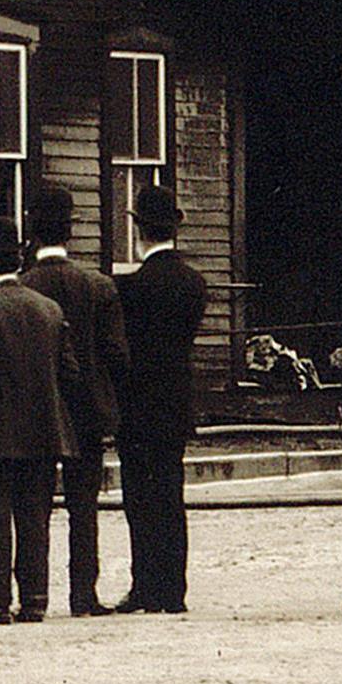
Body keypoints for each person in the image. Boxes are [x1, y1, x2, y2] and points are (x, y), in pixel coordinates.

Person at [0, 217, 75, 628]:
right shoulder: (49, 309)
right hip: (44, 430)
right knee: (34, 516)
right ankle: (35, 599)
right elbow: (69, 373)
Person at [23, 184, 129, 618]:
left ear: (32, 232)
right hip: (87, 411)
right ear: (70, 233)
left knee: (34, 507)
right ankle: (83, 596)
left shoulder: (23, 287)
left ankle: (34, 596)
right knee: (84, 508)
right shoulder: (98, 287)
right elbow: (118, 355)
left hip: (38, 412)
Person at [111, 184, 209, 616]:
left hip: (136, 405)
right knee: (171, 496)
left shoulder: (128, 288)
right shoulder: (194, 283)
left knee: (139, 500)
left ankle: (144, 586)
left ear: (139, 232)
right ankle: (174, 591)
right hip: (175, 401)